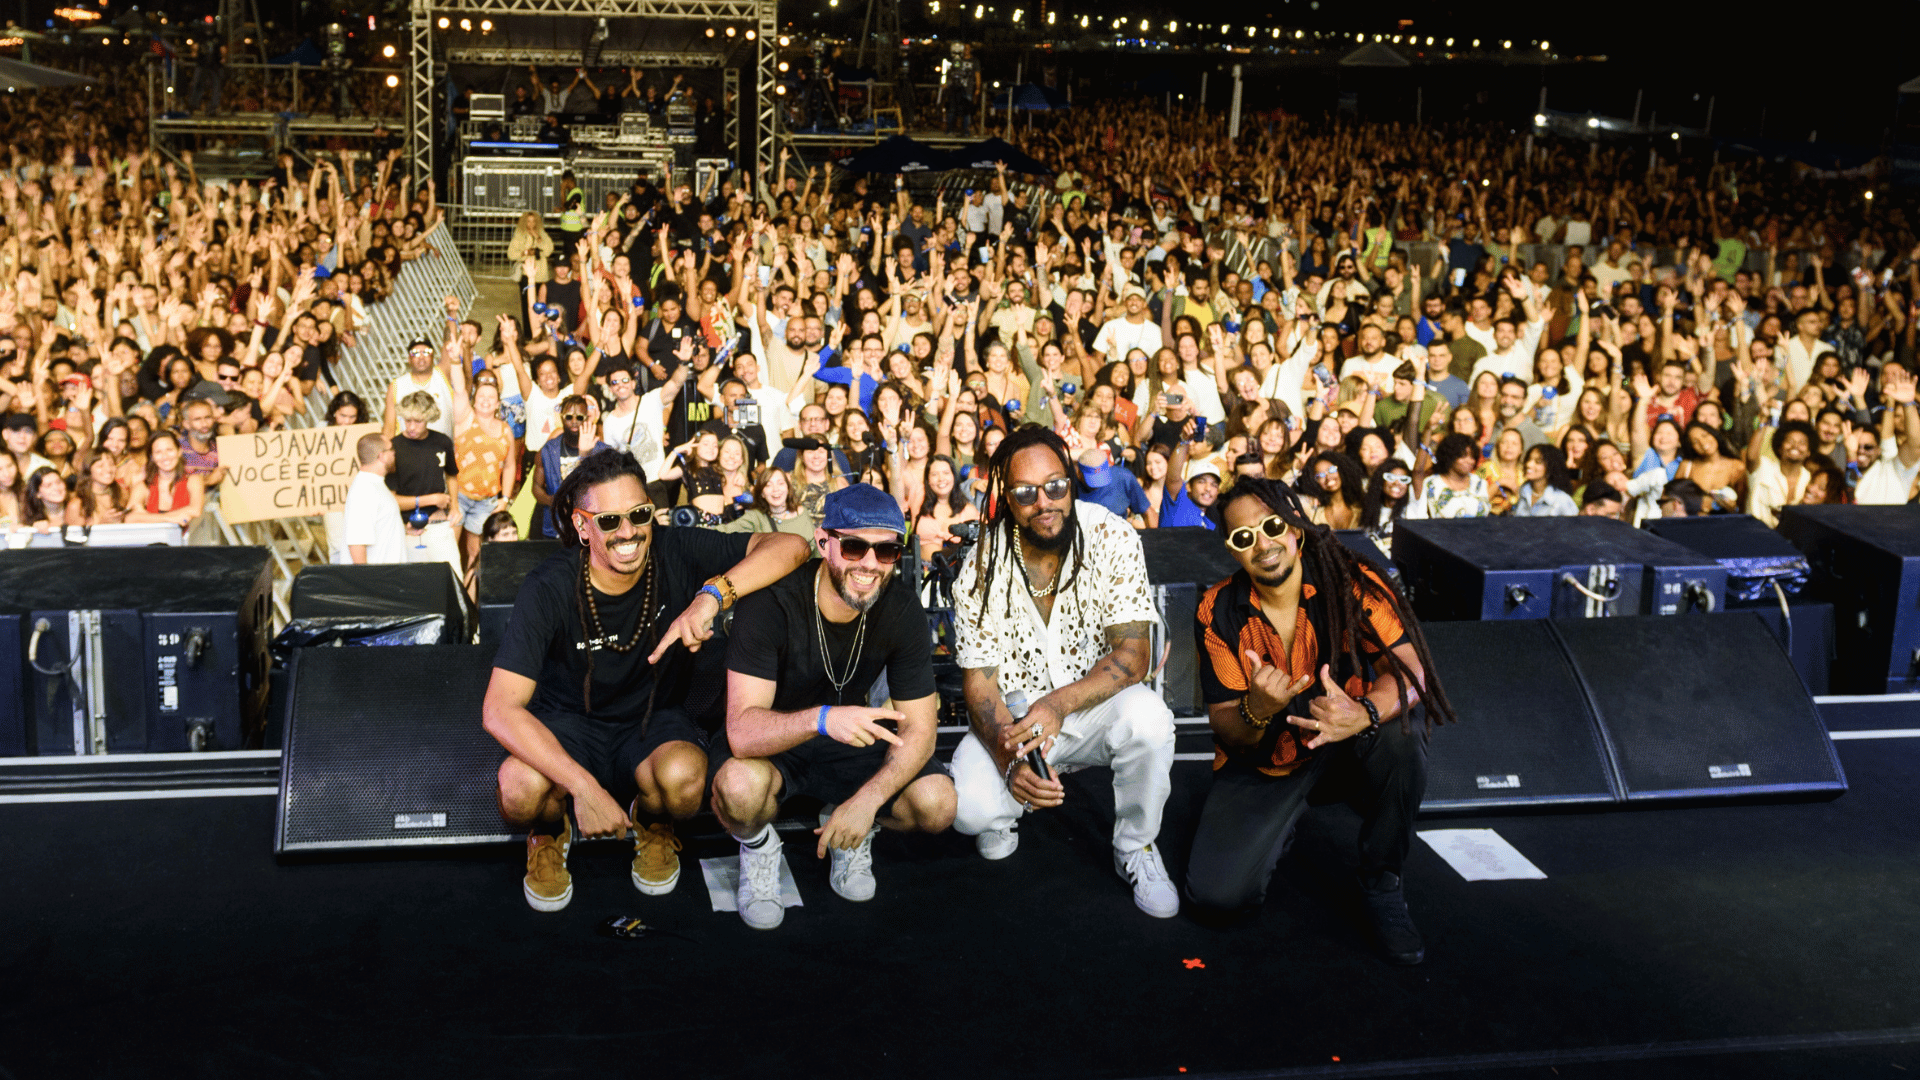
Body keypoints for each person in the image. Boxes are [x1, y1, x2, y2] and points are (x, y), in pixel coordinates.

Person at [484, 449, 811, 912]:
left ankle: (651, 820)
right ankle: (549, 832)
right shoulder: (549, 585)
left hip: (652, 720)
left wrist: (711, 599)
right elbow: (499, 709)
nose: (628, 532)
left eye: (639, 514)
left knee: (685, 783)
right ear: (582, 526)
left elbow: (792, 547)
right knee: (518, 789)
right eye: (609, 520)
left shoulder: (674, 549)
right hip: (565, 724)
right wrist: (584, 789)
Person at [1188, 477, 1456, 964]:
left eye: (1271, 527)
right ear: (1232, 549)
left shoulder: (1350, 581)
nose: (1262, 544)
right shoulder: (1216, 611)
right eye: (1243, 537)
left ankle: (1381, 881)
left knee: (1400, 732)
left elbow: (1413, 667)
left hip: (1347, 745)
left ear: (1296, 529)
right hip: (1265, 762)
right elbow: (1228, 727)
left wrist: (1364, 711)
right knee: (1216, 898)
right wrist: (1258, 708)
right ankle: (1281, 818)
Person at [949, 427, 1178, 917]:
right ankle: (1003, 814)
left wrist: (1056, 705)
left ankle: (1135, 846)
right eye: (1026, 493)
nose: (1044, 502)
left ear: (1072, 482)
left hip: (1092, 704)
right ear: (1006, 499)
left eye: (1055, 485)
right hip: (1015, 716)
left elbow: (1133, 656)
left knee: (1150, 719)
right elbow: (979, 683)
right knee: (968, 808)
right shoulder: (981, 566)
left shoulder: (1111, 535)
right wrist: (1010, 760)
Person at [710, 484, 957, 930]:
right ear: (824, 543)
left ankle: (846, 824)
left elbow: (921, 729)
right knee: (738, 789)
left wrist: (869, 800)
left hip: (849, 740)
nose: (869, 564)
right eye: (855, 546)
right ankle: (760, 847)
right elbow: (742, 733)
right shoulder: (770, 601)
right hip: (774, 742)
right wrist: (823, 718)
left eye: (886, 552)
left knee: (937, 804)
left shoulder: (900, 609)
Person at [339, 433, 407, 564]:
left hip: (386, 578)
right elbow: (356, 543)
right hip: (378, 580)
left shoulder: (375, 484)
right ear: (381, 455)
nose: (394, 453)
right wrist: (367, 582)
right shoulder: (364, 489)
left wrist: (404, 528)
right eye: (391, 449)